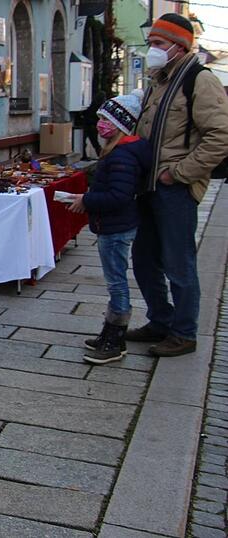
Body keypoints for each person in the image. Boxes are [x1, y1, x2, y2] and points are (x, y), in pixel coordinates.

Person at [128, 13, 228, 357]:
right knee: (143, 258)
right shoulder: (160, 80)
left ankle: (184, 333)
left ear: (179, 46)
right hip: (148, 185)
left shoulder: (199, 80)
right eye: (151, 42)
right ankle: (160, 320)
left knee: (177, 261)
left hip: (174, 186)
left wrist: (179, 173)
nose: (152, 49)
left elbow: (220, 136)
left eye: (158, 43)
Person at [65, 92, 151, 364]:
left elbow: (118, 196)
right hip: (112, 225)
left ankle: (116, 340)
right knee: (115, 282)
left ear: (120, 124)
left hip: (115, 227)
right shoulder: (119, 151)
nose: (100, 124)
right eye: (100, 118)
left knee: (117, 284)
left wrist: (86, 200)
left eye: (105, 119)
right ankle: (109, 332)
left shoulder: (122, 155)